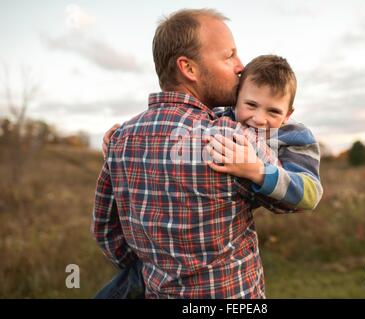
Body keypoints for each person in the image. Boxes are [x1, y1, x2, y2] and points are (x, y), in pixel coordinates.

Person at [92, 8, 320, 299]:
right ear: (189, 68)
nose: (241, 66)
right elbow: (293, 202)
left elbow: (106, 231)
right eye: (229, 56)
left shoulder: (121, 139)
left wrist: (155, 269)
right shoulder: (233, 140)